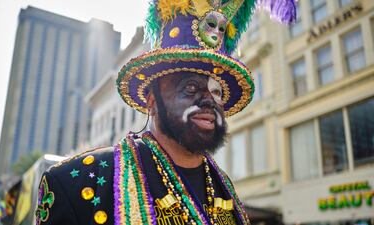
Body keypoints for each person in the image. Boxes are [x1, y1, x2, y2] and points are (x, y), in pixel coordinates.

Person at [35, 0, 296, 224]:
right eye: (191, 87)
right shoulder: (75, 182)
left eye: (216, 92)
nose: (209, 101)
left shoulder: (225, 189)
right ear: (151, 101)